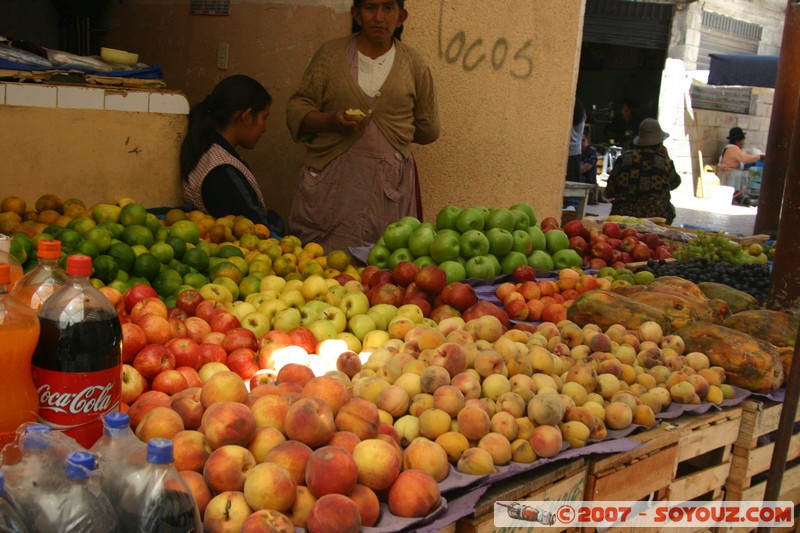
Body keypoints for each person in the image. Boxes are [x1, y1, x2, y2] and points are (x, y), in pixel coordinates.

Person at [286, 0, 440, 251]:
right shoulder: (330, 55)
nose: (379, 17)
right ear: (357, 14)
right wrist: (330, 120)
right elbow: (297, 109)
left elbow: (429, 128)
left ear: (401, 17)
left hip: (386, 192)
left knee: (381, 266)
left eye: (388, 8)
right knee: (320, 264)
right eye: (370, 7)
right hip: (332, 187)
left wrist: (393, 134)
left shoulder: (414, 64)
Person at [180, 74, 285, 235]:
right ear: (247, 116)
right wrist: (276, 219)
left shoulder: (206, 147)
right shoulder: (222, 172)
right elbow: (262, 230)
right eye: (264, 118)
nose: (264, 129)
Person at [605, 118, 681, 224]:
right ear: (660, 144)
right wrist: (666, 157)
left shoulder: (623, 159)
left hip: (623, 214)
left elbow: (609, 192)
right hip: (657, 215)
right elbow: (674, 183)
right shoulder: (664, 162)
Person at [716, 126, 765, 204]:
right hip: (727, 175)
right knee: (739, 173)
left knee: (742, 172)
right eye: (742, 140)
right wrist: (760, 157)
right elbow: (744, 158)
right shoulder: (733, 148)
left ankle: (739, 196)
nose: (743, 143)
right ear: (738, 141)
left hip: (725, 173)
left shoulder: (729, 148)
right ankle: (736, 195)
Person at [580, 133, 602, 205]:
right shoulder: (578, 152)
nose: (581, 142)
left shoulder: (591, 153)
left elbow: (586, 167)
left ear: (587, 141)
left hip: (588, 182)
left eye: (583, 140)